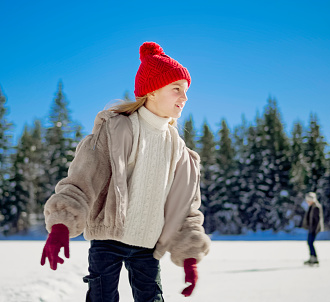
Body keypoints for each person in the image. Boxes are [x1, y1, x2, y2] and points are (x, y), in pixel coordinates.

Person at [40, 41, 210, 301]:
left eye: (186, 91)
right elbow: (83, 179)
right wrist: (62, 223)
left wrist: (189, 255)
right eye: (177, 89)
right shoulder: (116, 131)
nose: (184, 98)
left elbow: (185, 208)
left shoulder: (180, 151)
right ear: (152, 91)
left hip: (148, 247)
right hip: (108, 240)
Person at [302, 192, 324, 266]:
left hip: (314, 229)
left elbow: (317, 220)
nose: (307, 202)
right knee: (309, 243)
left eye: (308, 200)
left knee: (310, 243)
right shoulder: (311, 207)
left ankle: (314, 258)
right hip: (311, 228)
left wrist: (314, 229)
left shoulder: (316, 207)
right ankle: (312, 257)